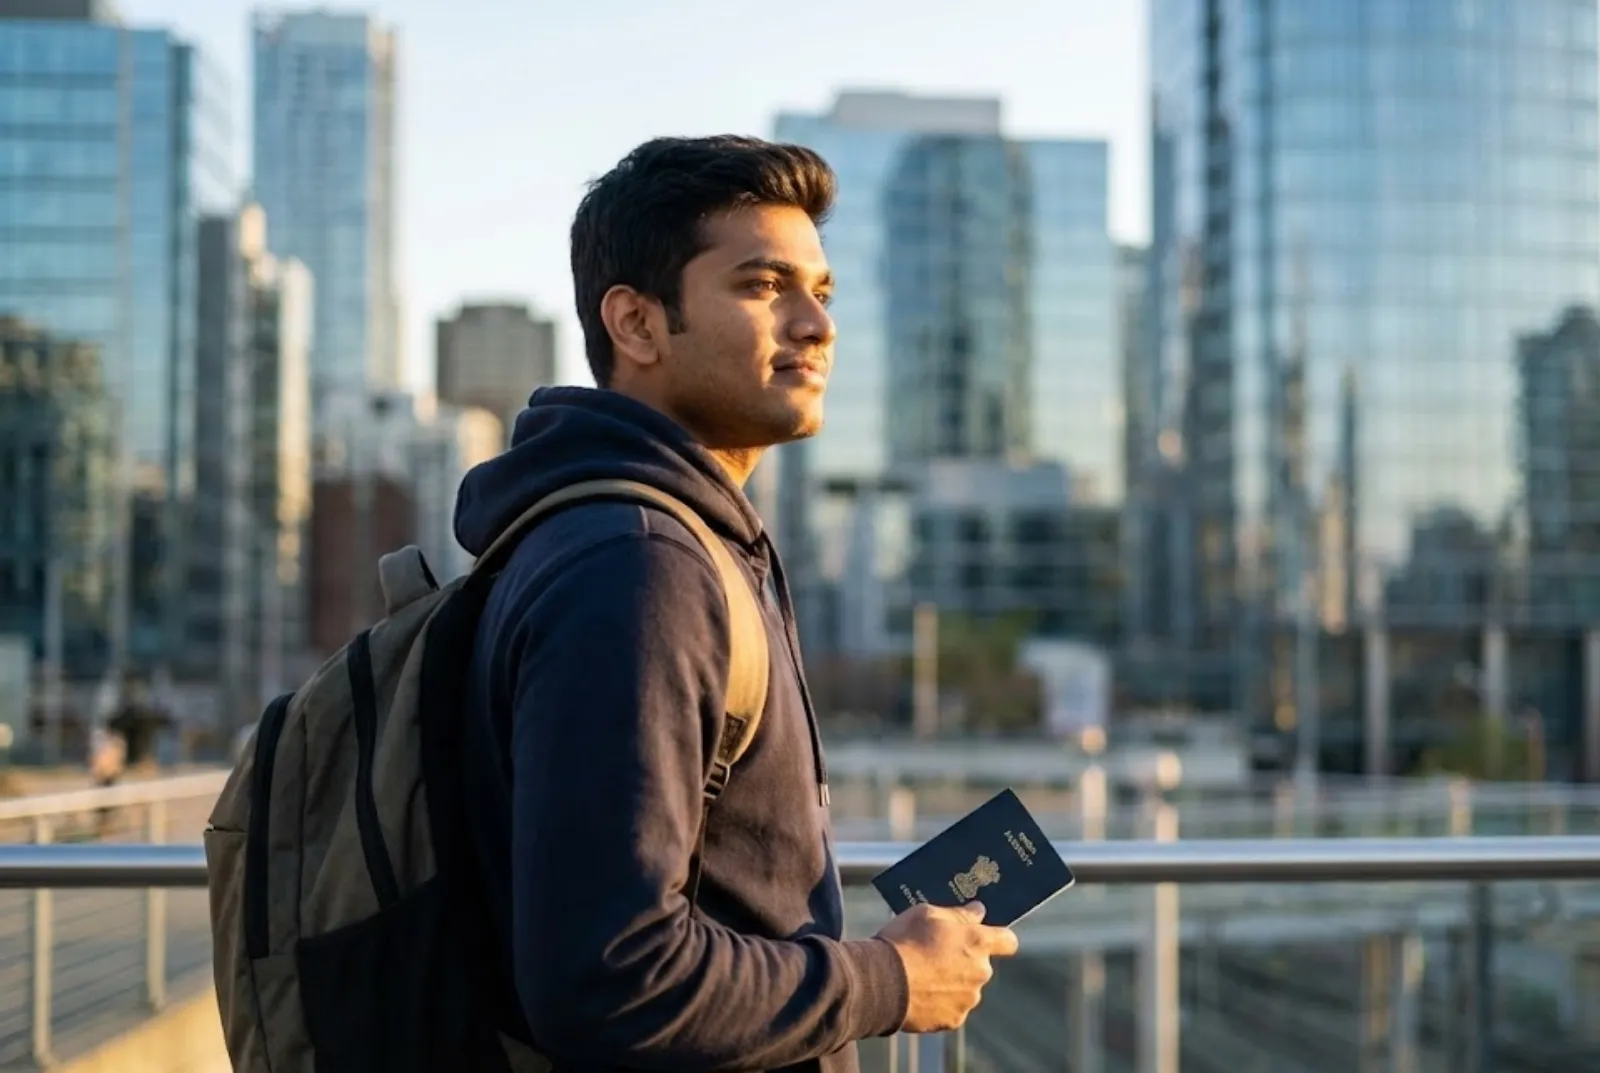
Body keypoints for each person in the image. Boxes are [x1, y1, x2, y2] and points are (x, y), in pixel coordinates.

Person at [454, 135, 1019, 1073]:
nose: (816, 325)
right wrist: (889, 979)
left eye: (823, 292)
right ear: (636, 324)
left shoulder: (655, 538)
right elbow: (612, 976)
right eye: (763, 287)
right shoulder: (638, 568)